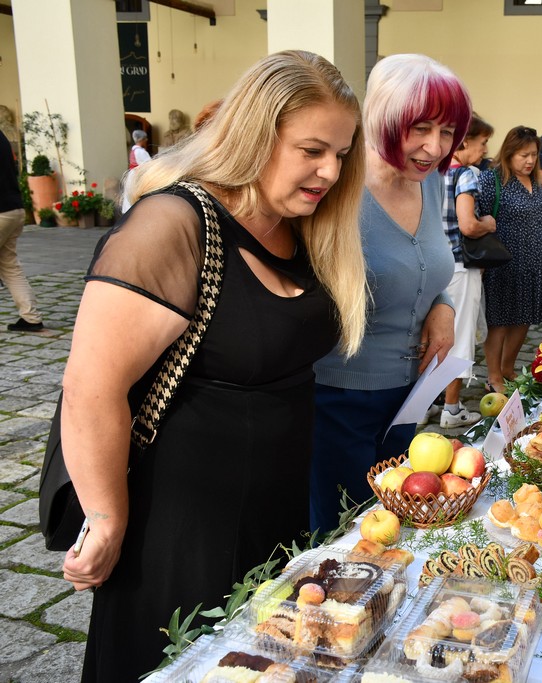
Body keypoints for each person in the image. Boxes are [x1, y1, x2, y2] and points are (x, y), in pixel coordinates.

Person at [61, 50, 367, 681]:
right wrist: (105, 518)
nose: (331, 171)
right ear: (254, 135)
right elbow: (92, 385)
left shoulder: (301, 224)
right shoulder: (172, 224)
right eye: (312, 150)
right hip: (182, 526)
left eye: (341, 153)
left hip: (275, 509)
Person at [311, 54, 469, 531]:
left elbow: (428, 268)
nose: (434, 147)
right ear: (383, 118)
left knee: (398, 526)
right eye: (420, 128)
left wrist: (443, 306)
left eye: (447, 132)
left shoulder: (431, 183)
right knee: (345, 535)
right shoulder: (335, 187)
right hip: (339, 400)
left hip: (407, 398)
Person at [479, 126, 542, 392]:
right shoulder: (493, 180)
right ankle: (493, 377)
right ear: (509, 153)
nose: (530, 160)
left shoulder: (534, 181)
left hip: (535, 260)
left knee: (524, 317)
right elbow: (481, 218)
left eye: (534, 155)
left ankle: (507, 368)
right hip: (504, 262)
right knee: (499, 321)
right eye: (524, 155)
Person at [438, 112, 495, 428]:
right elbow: (468, 225)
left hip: (434, 264)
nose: (485, 149)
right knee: (459, 336)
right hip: (460, 265)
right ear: (464, 142)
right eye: (482, 142)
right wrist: (488, 223)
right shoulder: (464, 175)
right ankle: (451, 407)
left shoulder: (432, 171)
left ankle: (424, 404)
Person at [0, 130, 43, 332]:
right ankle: (31, 317)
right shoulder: (1, 136)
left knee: (10, 267)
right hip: (14, 209)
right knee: (9, 267)